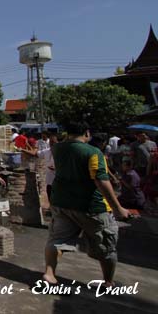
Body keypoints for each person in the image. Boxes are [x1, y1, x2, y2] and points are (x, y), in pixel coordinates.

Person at [43, 121, 130, 287]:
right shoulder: (93, 152)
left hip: (61, 202)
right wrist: (118, 208)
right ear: (87, 133)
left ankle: (49, 272)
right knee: (106, 246)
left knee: (57, 239)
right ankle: (108, 281)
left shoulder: (57, 149)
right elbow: (101, 180)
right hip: (91, 206)